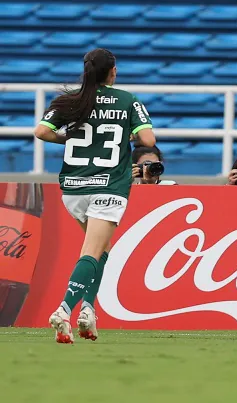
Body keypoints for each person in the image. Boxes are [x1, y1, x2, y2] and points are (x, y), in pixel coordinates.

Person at [34, 48, 156, 343]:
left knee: (101, 250)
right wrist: (125, 134)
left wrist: (68, 137)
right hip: (108, 186)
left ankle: (88, 311)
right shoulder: (127, 100)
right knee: (91, 252)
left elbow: (41, 131)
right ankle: (65, 309)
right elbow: (148, 140)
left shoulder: (69, 100)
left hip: (73, 189)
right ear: (113, 71)